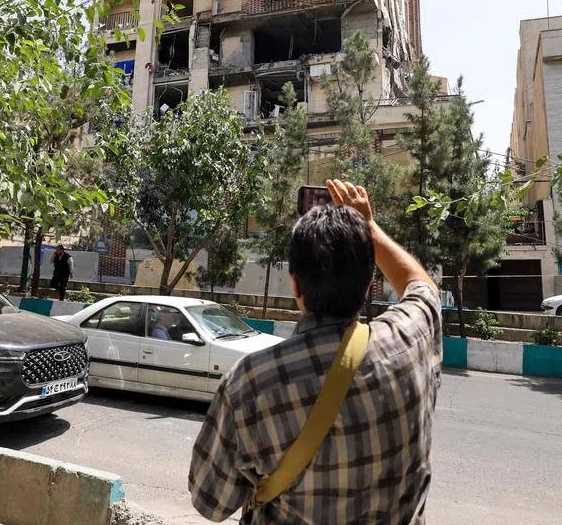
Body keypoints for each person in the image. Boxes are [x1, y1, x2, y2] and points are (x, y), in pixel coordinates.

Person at [189, 180, 441, 523]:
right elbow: (421, 285)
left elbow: (209, 502)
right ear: (369, 284)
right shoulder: (409, 340)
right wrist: (369, 225)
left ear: (295, 283)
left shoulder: (250, 384)